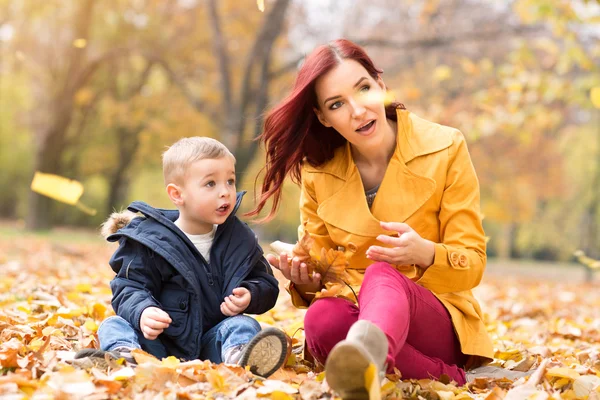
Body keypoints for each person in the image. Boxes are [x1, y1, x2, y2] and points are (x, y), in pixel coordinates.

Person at [247, 39, 529, 397]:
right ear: (323, 117)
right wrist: (304, 279)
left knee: (383, 272)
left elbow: (473, 262)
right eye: (337, 104)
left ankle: (376, 353)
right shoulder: (318, 172)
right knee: (321, 320)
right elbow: (323, 270)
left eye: (363, 89)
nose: (358, 111)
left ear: (381, 86)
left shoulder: (445, 146)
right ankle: (381, 365)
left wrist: (425, 252)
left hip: (436, 317)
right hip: (358, 314)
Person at [76, 137, 287, 378]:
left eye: (230, 181)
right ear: (177, 194)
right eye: (210, 184)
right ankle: (124, 357)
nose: (225, 192)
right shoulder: (151, 242)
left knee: (244, 325)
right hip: (156, 343)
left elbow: (266, 284)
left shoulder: (239, 239)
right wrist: (143, 311)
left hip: (212, 343)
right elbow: (128, 286)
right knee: (113, 325)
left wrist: (250, 294)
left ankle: (240, 359)